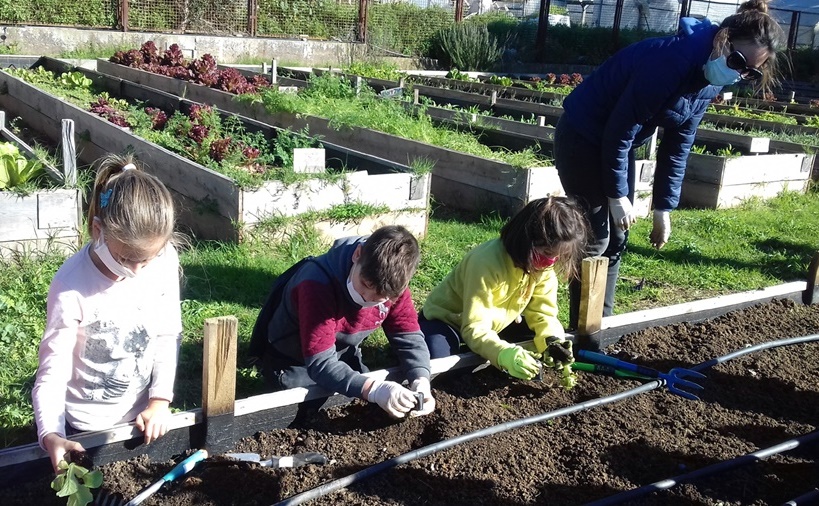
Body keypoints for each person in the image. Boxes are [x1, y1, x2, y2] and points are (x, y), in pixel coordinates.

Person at [553, 0, 784, 326]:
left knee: (618, 237)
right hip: (582, 135)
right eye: (737, 61)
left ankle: (599, 327)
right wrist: (617, 196)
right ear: (723, 38)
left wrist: (663, 209)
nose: (738, 73)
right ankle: (580, 328)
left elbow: (678, 144)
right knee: (597, 238)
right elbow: (619, 131)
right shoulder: (671, 60)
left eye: (749, 71)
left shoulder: (712, 76)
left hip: (616, 143)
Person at [32, 154, 183, 473]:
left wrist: (159, 401)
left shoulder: (165, 260)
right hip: (84, 427)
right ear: (99, 230)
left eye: (148, 260)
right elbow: (53, 369)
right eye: (127, 258)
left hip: (141, 421)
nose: (138, 271)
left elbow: (167, 333)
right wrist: (52, 435)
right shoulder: (72, 285)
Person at [249, 225, 436, 419]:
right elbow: (321, 363)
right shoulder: (316, 284)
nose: (367, 297)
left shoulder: (391, 286)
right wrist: (374, 389)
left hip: (341, 351)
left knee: (359, 401)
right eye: (365, 284)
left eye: (380, 296)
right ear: (357, 255)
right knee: (305, 411)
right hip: (295, 358)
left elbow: (408, 335)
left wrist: (421, 379)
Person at [418, 197, 590, 380]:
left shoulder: (542, 268)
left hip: (494, 324)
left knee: (535, 341)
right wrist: (502, 354)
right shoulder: (486, 263)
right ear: (527, 239)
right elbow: (474, 326)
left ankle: (481, 353)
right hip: (448, 322)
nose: (551, 261)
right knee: (442, 364)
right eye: (547, 253)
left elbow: (544, 314)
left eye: (558, 255)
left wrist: (552, 341)